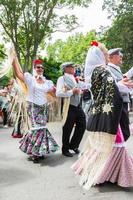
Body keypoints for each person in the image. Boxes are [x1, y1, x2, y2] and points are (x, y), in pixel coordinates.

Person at [72, 41, 133, 190]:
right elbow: (112, 86)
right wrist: (125, 85)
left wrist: (122, 84)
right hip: (108, 114)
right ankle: (105, 175)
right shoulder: (102, 71)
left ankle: (102, 174)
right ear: (100, 55)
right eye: (105, 54)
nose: (107, 56)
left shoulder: (94, 72)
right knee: (117, 144)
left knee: (105, 145)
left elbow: (110, 86)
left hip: (100, 114)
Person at [12, 55, 59, 163]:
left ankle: (39, 150)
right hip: (33, 106)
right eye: (38, 67)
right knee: (36, 128)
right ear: (34, 69)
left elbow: (54, 94)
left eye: (42, 68)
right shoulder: (30, 79)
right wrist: (14, 62)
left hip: (43, 107)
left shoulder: (47, 82)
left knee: (42, 128)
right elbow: (19, 75)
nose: (40, 69)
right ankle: (35, 152)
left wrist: (58, 90)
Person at [56, 62, 86, 157]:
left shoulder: (75, 78)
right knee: (67, 128)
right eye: (71, 67)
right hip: (68, 106)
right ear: (66, 68)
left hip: (78, 105)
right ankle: (65, 149)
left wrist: (80, 91)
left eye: (73, 66)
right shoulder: (62, 78)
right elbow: (58, 93)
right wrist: (72, 91)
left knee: (82, 124)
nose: (73, 68)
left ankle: (73, 145)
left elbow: (81, 88)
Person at [107, 48, 131, 141]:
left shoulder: (116, 69)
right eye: (119, 55)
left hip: (122, 102)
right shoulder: (108, 69)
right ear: (111, 57)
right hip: (117, 102)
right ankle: (116, 152)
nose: (121, 56)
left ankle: (118, 152)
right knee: (123, 132)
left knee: (123, 132)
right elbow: (112, 83)